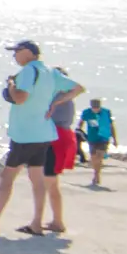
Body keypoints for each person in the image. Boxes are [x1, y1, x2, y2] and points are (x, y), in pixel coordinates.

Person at [0, 41, 78, 236]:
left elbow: (20, 98)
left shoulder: (29, 70)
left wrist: (11, 85)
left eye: (17, 52)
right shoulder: (50, 72)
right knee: (37, 179)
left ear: (28, 53)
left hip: (25, 134)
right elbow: (77, 88)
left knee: (6, 177)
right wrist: (56, 102)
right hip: (43, 134)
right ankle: (36, 223)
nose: (14, 56)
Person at [42, 67, 88, 234]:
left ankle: (43, 221)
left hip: (56, 139)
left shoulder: (58, 98)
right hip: (62, 137)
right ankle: (57, 221)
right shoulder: (66, 98)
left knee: (46, 182)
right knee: (52, 183)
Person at [78, 99, 118, 186]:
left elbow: (111, 126)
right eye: (94, 108)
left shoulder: (106, 112)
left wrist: (114, 139)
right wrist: (80, 133)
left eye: (97, 108)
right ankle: (96, 173)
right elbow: (80, 124)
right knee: (93, 157)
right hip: (92, 138)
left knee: (99, 156)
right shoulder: (86, 112)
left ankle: (96, 175)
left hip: (103, 138)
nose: (95, 109)